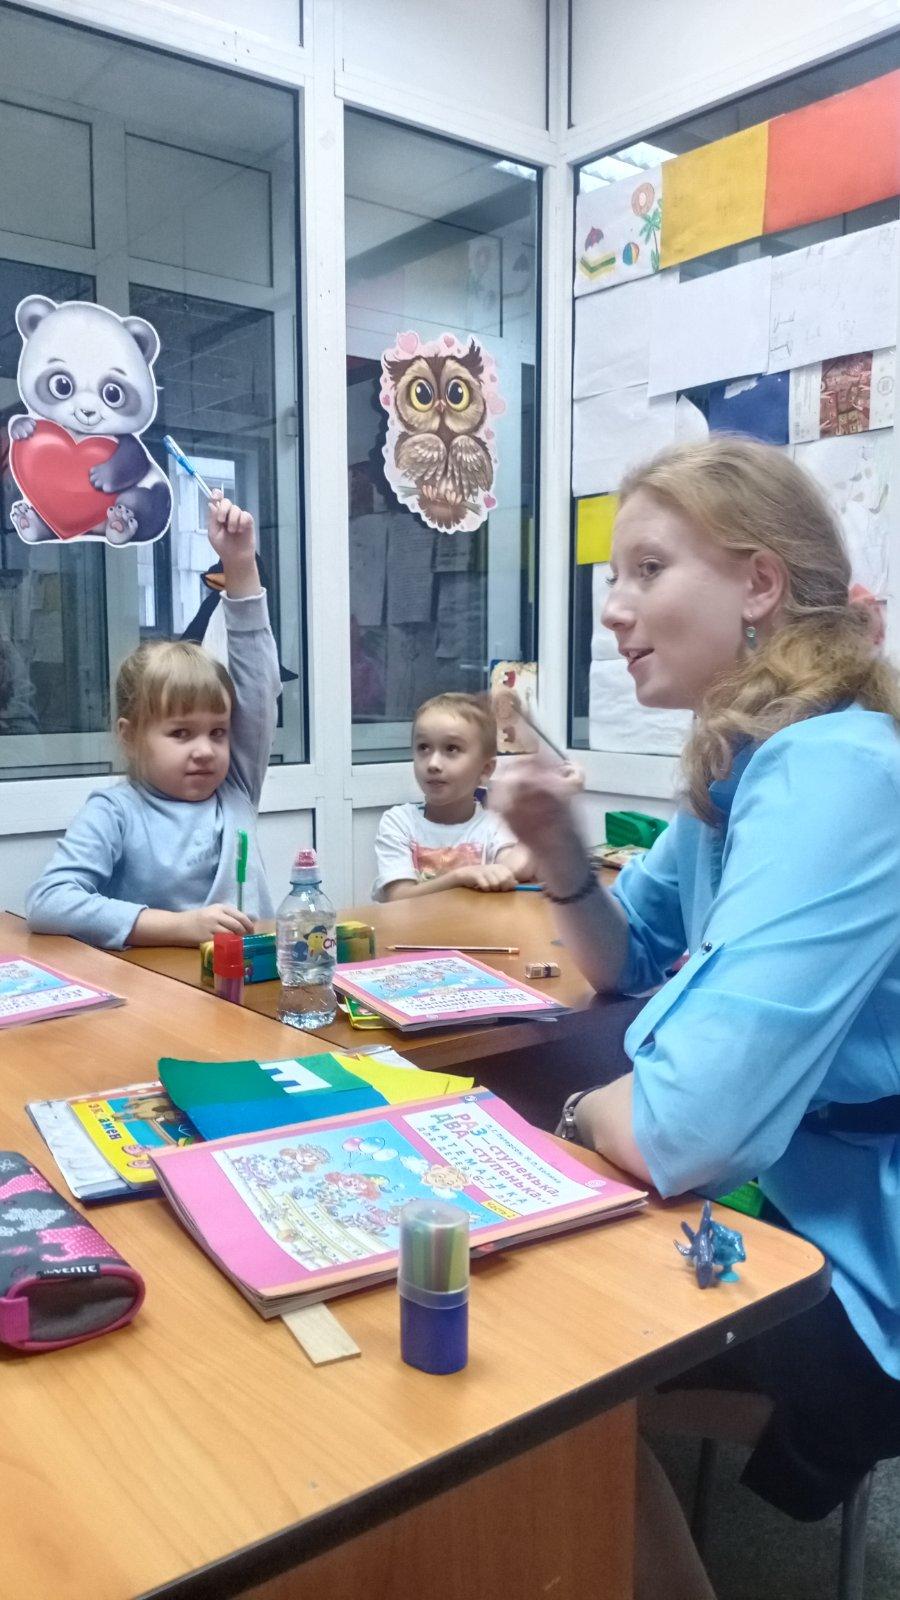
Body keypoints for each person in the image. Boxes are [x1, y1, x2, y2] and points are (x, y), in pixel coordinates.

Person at [491, 436, 900, 1598]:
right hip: (798, 1196)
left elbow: (689, 1125)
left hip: (863, 1266)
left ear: (759, 584)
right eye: (613, 576)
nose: (614, 608)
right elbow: (628, 959)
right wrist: (558, 851)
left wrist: (575, 1111)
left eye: (649, 568)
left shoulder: (836, 769)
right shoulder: (741, 761)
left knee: (520, 1361)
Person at [26, 491, 280, 949]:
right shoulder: (115, 811)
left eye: (218, 732)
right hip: (156, 988)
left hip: (247, 980)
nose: (205, 750)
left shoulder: (236, 786)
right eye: (180, 733)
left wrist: (240, 562)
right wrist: (177, 927)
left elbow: (258, 684)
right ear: (130, 736)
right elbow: (49, 901)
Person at [372, 691, 531, 900]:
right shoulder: (399, 822)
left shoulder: (493, 825)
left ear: (485, 770)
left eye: (452, 749)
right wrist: (459, 877)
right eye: (423, 747)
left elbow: (515, 868)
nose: (433, 764)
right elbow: (398, 897)